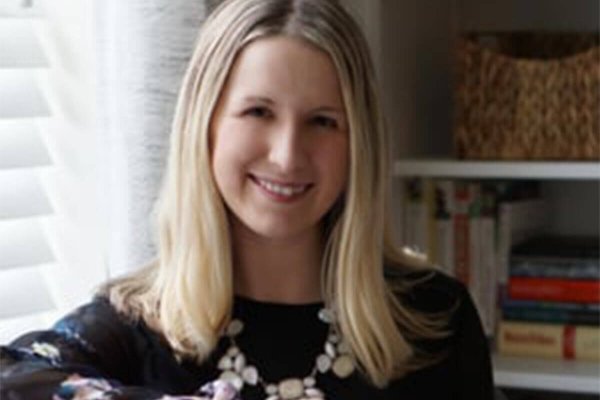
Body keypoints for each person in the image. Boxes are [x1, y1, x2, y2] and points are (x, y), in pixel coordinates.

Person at [0, 0, 494, 399]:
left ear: (359, 145)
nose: (287, 155)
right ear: (206, 126)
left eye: (322, 121)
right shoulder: (130, 327)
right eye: (258, 112)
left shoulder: (437, 319)